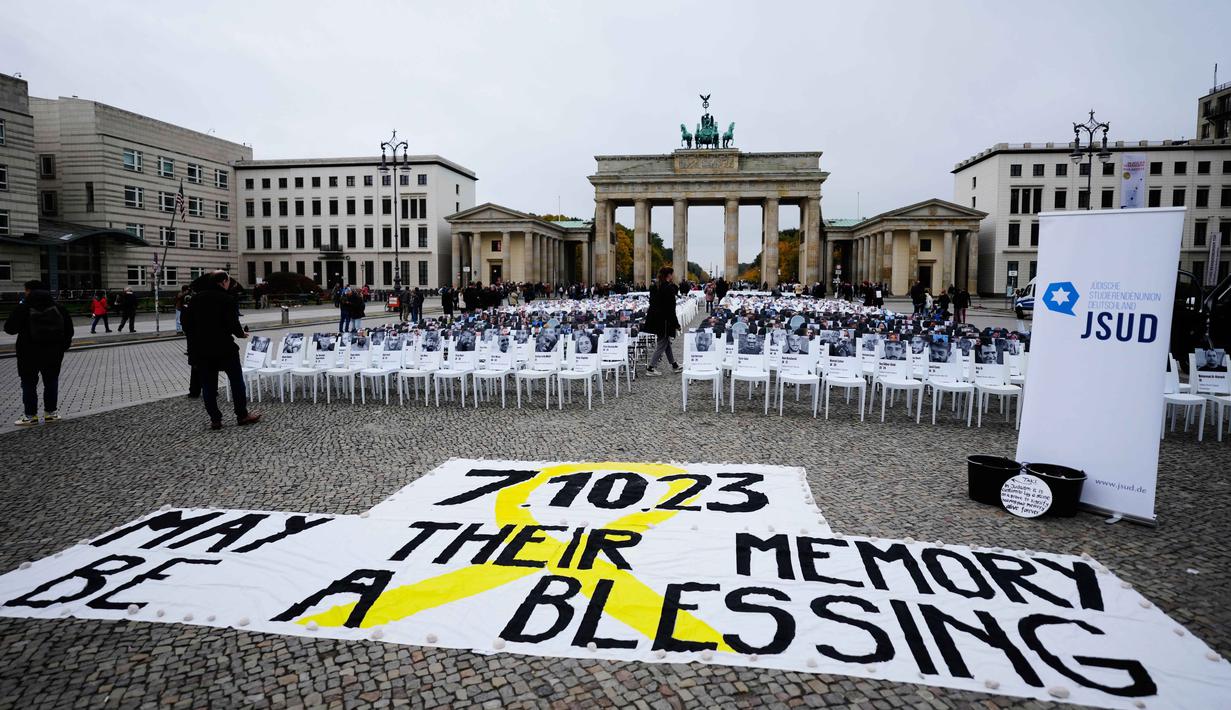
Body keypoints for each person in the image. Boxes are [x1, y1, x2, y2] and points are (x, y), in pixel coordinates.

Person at [183, 271, 260, 430]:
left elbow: (186, 324)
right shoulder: (227, 299)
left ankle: (215, 419)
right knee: (237, 381)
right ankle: (242, 415)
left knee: (208, 386)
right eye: (228, 282)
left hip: (203, 350)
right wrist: (241, 334)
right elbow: (233, 323)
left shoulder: (195, 299)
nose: (229, 285)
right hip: (225, 348)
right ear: (223, 282)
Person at [4, 280, 73, 426]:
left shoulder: (23, 308)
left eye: (26, 290)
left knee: (28, 383)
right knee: (51, 382)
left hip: (28, 353)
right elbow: (69, 331)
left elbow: (9, 329)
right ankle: (51, 413)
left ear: (29, 291)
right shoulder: (59, 308)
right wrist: (61, 347)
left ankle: (30, 416)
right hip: (53, 353)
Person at [644, 267, 682, 375]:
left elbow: (652, 302)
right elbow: (671, 309)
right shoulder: (668, 288)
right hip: (664, 320)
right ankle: (651, 368)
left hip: (655, 319)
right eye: (672, 274)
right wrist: (676, 324)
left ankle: (674, 365)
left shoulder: (655, 286)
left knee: (666, 342)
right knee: (662, 343)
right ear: (669, 275)